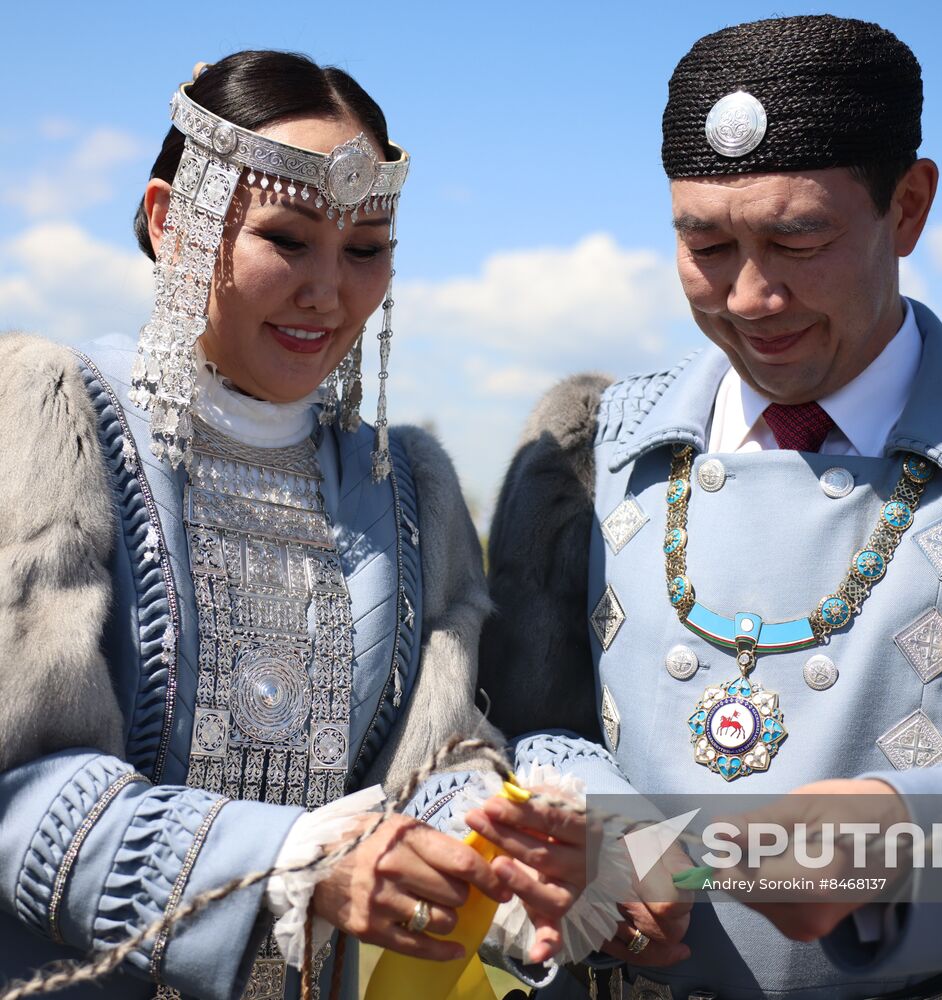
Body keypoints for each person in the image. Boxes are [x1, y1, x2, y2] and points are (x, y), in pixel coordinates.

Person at [479, 14, 942, 1000]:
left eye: (797, 238)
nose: (750, 296)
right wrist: (589, 833)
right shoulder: (588, 451)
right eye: (706, 244)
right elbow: (511, 728)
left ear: (907, 207)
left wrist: (905, 830)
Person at [0, 51, 581, 1000]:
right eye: (288, 239)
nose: (329, 292)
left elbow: (431, 756)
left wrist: (500, 853)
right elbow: (19, 780)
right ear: (168, 221)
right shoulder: (48, 416)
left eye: (365, 251)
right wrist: (285, 865)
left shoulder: (408, 485)